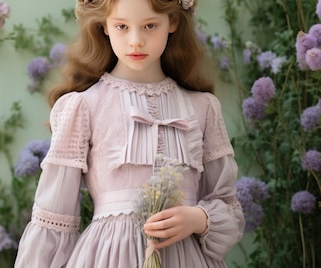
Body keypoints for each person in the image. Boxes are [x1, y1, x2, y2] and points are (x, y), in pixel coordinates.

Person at [14, 0, 245, 266]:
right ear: (104, 27)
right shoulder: (84, 106)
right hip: (108, 256)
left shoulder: (203, 107)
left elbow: (228, 206)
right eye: (122, 26)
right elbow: (54, 216)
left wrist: (199, 218)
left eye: (150, 25)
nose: (136, 40)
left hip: (186, 257)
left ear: (173, 22)